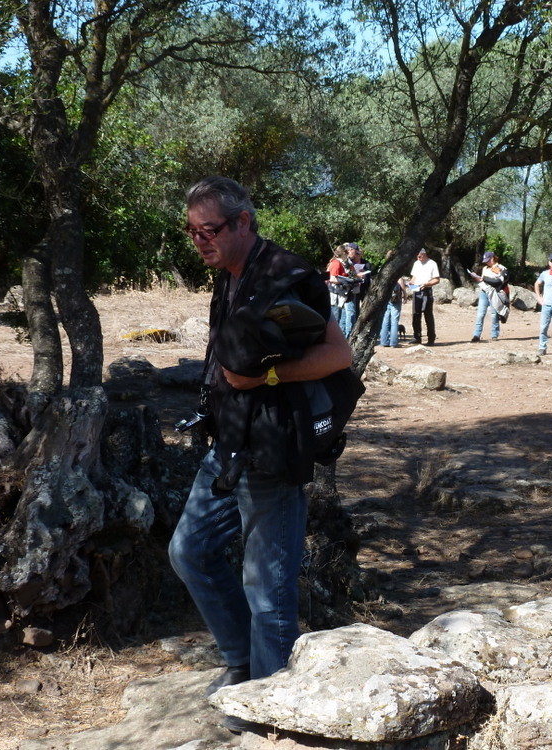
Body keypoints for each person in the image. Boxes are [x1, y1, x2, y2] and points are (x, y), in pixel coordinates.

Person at [169, 177, 353, 734]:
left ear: (244, 221)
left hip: (273, 449)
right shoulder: (229, 278)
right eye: (193, 232)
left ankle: (271, 716)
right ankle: (243, 665)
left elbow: (337, 355)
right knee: (190, 551)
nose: (201, 241)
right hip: (229, 444)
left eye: (211, 230)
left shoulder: (286, 276)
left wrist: (267, 374)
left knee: (268, 589)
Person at [469, 251, 509, 342]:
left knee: (494, 314)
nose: (486, 262)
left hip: (494, 293)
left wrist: (483, 279)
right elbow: (483, 280)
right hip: (484, 292)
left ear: (492, 258)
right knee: (480, 314)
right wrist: (478, 278)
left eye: (488, 260)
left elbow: (498, 281)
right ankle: (476, 335)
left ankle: (494, 334)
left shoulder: (501, 268)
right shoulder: (485, 268)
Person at [409, 248, 440, 345]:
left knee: (428, 315)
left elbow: (437, 279)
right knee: (415, 314)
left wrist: (427, 284)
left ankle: (431, 338)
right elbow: (414, 277)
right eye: (417, 256)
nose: (418, 258)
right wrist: (411, 283)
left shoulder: (432, 264)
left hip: (426, 291)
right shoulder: (416, 263)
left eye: (420, 256)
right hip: (417, 290)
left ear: (425, 254)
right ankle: (417, 337)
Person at [343, 242, 372, 337]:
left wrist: (364, 275)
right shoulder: (347, 262)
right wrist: (356, 275)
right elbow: (347, 275)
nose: (357, 256)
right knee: (353, 311)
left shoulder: (366, 263)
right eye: (357, 254)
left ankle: (363, 329)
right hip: (353, 289)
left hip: (363, 289)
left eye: (359, 254)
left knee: (365, 310)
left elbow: (369, 276)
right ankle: (353, 332)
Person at [326, 244, 356, 335]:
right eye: (346, 252)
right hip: (335, 296)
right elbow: (332, 278)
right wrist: (346, 281)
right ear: (343, 252)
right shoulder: (336, 263)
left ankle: (340, 338)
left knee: (341, 317)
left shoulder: (342, 263)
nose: (347, 254)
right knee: (335, 318)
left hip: (341, 295)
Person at [379, 276, 407, 347]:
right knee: (394, 321)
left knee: (385, 320)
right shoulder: (398, 273)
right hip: (396, 300)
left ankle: (384, 341)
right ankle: (393, 343)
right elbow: (400, 281)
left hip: (386, 299)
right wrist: (405, 294)